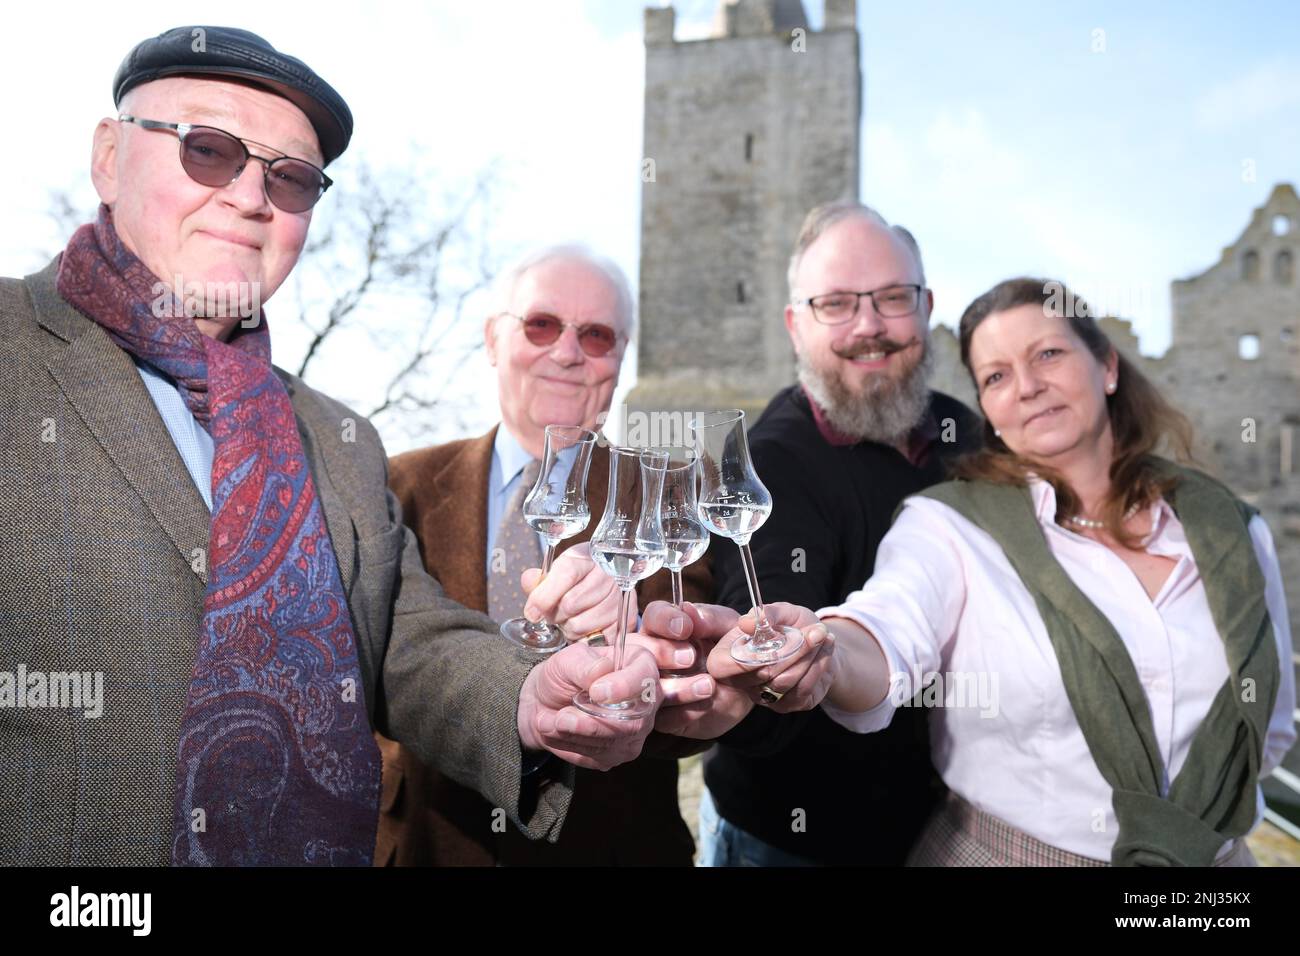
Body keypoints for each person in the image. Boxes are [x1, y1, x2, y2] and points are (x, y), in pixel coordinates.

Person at [0, 25, 664, 866]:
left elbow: (403, 644)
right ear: (108, 155)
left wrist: (533, 698)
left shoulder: (339, 438)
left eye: (290, 178)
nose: (250, 197)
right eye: (207, 150)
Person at [805, 276, 1296, 866]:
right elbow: (886, 632)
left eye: (1049, 354)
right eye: (996, 376)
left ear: (1107, 366)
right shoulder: (949, 528)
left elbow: (1269, 725)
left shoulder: (1233, 530)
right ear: (987, 407)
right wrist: (817, 648)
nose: (1029, 386)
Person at [379, 246, 713, 865]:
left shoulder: (672, 486)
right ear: (492, 339)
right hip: (431, 843)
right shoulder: (399, 484)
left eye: (596, 335)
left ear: (619, 358)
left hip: (613, 847)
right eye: (541, 325)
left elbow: (695, 651)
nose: (566, 352)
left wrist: (628, 618)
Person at [698, 201, 981, 866]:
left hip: (943, 832)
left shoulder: (968, 434)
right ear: (797, 326)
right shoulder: (763, 460)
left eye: (892, 298)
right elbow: (765, 623)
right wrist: (776, 669)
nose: (869, 327)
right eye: (836, 305)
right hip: (791, 842)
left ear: (927, 306)